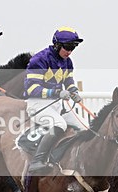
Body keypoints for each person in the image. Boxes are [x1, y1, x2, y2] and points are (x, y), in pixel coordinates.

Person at [24, 27, 85, 174]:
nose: (70, 51)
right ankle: (37, 161)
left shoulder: (67, 62)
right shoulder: (39, 60)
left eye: (73, 48)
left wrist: (74, 91)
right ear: (57, 45)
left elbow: (69, 80)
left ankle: (71, 160)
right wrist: (56, 92)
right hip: (37, 104)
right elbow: (32, 89)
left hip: (57, 106)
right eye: (68, 47)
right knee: (60, 124)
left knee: (84, 128)